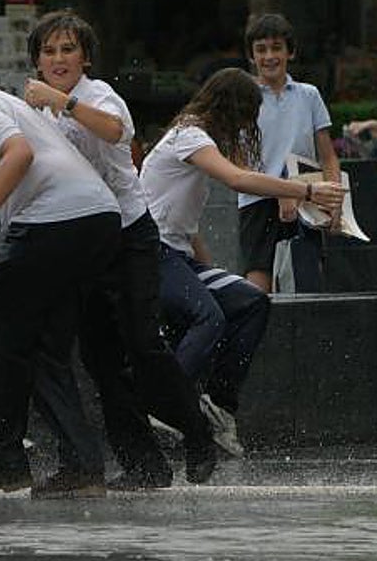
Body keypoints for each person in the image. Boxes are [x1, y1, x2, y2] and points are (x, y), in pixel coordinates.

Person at [21, 11, 217, 490]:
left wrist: (62, 102)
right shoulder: (35, 108)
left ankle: (198, 432)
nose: (58, 58)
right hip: (83, 243)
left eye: (68, 49)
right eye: (49, 51)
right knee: (101, 360)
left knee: (143, 344)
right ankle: (145, 466)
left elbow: (114, 132)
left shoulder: (95, 95)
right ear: (37, 60)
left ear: (85, 57)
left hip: (129, 235)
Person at [0, 42, 122, 499]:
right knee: (43, 347)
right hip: (98, 220)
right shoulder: (8, 100)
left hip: (56, 222)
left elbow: (18, 155)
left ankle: (3, 460)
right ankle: (81, 465)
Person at [140, 68, 346, 455]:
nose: (242, 133)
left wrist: (206, 266)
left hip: (176, 256)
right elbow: (237, 179)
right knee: (210, 316)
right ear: (230, 111)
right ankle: (167, 403)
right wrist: (306, 189)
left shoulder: (195, 141)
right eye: (244, 121)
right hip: (151, 253)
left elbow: (182, 223)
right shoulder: (189, 134)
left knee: (252, 301)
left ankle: (218, 406)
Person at [238, 13, 342, 293]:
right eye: (261, 49)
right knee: (257, 288)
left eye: (276, 48)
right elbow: (238, 161)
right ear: (251, 56)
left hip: (307, 199)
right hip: (257, 201)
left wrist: (334, 202)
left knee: (307, 281)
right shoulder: (243, 97)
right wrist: (281, 190)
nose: (269, 56)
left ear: (290, 52)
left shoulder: (308, 95)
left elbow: (328, 155)